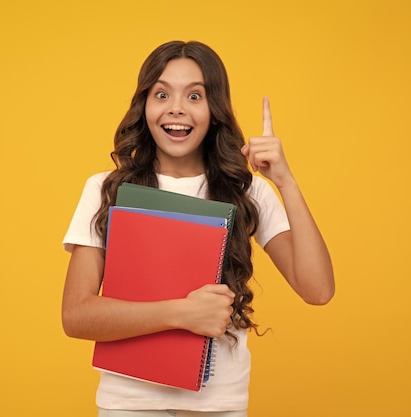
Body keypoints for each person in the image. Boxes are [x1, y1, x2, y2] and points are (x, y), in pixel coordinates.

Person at [61, 40, 335, 417]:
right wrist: (182, 313)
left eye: (194, 95)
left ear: (214, 110)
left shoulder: (248, 190)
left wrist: (285, 181)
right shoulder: (106, 189)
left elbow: (318, 290)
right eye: (161, 94)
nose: (176, 107)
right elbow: (77, 315)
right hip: (130, 404)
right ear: (144, 106)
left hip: (218, 406)